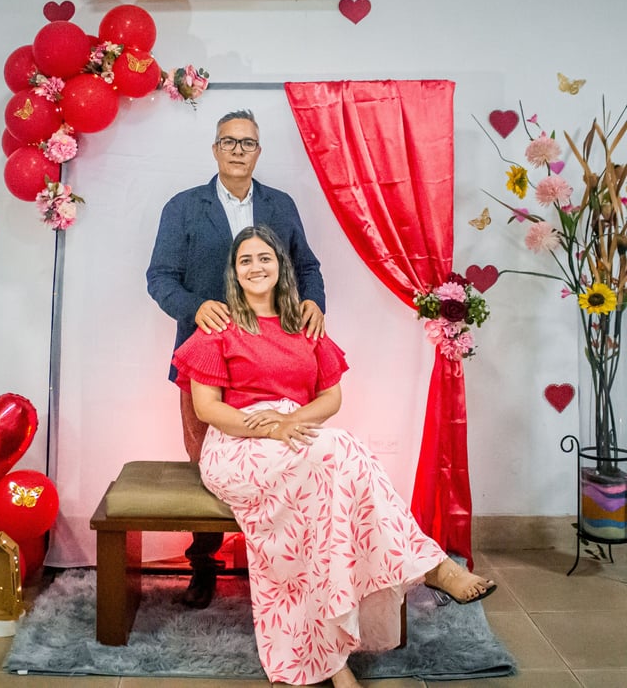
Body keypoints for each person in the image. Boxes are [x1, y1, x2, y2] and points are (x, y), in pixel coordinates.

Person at [171, 225, 497, 688]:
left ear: (281, 266)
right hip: (238, 443)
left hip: (299, 438)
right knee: (341, 448)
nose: (256, 267)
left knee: (327, 505)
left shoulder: (305, 325)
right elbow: (208, 409)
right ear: (234, 272)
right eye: (245, 260)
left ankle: (332, 659)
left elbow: (331, 398)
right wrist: (273, 425)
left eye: (264, 258)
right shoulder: (218, 328)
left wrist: (291, 421)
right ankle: (431, 566)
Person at [146, 109, 326, 609]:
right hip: (206, 358)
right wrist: (194, 307)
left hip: (273, 359)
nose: (238, 150)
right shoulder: (184, 207)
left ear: (259, 151)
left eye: (247, 142)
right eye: (229, 141)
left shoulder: (281, 205)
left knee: (284, 456)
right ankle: (203, 566)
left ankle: (286, 566)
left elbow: (308, 267)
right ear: (215, 149)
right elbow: (159, 277)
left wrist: (314, 302)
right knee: (207, 462)